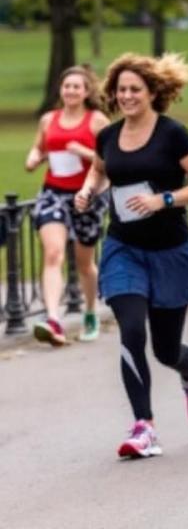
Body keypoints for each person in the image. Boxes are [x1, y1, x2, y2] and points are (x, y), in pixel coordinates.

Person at [75, 53, 188, 459]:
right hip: (123, 247)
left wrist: (164, 199)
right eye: (121, 90)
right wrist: (89, 191)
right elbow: (101, 171)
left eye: (135, 89)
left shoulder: (173, 134)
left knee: (165, 350)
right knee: (132, 332)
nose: (127, 96)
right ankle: (144, 427)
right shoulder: (108, 135)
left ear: (153, 92)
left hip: (170, 250)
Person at [24, 66, 110, 346]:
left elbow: (113, 160)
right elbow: (40, 147)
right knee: (53, 253)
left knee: (85, 263)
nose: (71, 91)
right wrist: (34, 158)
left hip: (87, 196)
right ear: (60, 90)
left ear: (86, 92)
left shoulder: (97, 121)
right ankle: (53, 320)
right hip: (53, 193)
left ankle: (89, 311)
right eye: (66, 86)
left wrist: (83, 152)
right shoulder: (49, 119)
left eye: (77, 86)